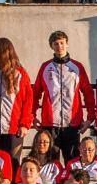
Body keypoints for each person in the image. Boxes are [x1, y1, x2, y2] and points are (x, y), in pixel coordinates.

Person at [33, 30, 92, 162]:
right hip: (50, 123)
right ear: (51, 46)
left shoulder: (77, 67)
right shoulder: (45, 67)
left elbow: (88, 93)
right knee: (51, 162)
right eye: (56, 44)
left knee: (72, 161)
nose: (59, 46)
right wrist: (32, 116)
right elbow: (35, 93)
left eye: (62, 43)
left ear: (67, 44)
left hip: (72, 123)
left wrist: (90, 118)